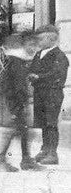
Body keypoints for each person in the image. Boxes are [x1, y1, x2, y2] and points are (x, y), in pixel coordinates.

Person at [0, 30, 41, 172]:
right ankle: (1, 160)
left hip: (17, 100)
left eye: (35, 45)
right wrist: (19, 105)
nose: (33, 48)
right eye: (30, 44)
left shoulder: (19, 60)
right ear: (23, 44)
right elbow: (17, 86)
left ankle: (25, 160)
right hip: (15, 101)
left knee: (24, 130)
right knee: (15, 129)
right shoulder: (17, 60)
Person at [29, 23, 68, 165]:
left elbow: (57, 74)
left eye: (41, 40)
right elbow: (33, 68)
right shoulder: (39, 54)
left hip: (52, 93)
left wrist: (39, 77)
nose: (38, 42)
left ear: (52, 40)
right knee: (43, 123)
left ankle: (52, 153)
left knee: (51, 123)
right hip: (40, 92)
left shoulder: (60, 55)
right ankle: (44, 149)